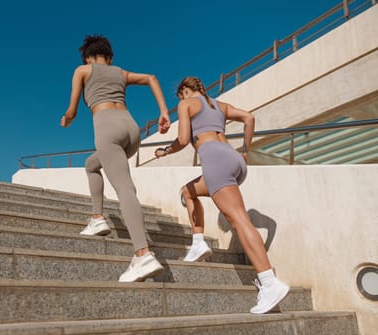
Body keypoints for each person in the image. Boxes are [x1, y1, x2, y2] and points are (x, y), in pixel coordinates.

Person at [155, 76, 289, 314]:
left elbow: (184, 140)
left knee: (239, 220)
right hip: (233, 158)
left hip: (215, 159)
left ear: (185, 90)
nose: (181, 101)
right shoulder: (220, 105)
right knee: (188, 192)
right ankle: (198, 243)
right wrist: (246, 151)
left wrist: (165, 150)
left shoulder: (187, 104)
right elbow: (249, 117)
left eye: (181, 96)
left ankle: (269, 282)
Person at [61, 34, 171, 282]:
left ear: (88, 56)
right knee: (91, 165)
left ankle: (142, 254)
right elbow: (151, 78)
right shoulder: (120, 72)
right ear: (109, 57)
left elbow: (73, 109)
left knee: (124, 188)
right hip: (131, 130)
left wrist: (66, 118)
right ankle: (98, 218)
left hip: (107, 126)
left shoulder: (82, 70)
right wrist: (163, 112)